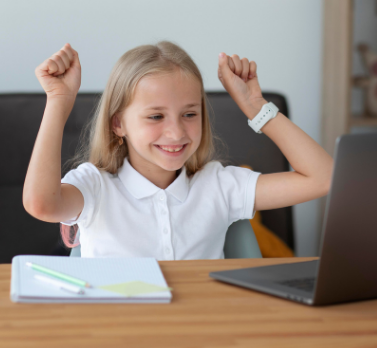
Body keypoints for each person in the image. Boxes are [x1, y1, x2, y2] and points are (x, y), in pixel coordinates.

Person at [23, 41, 333, 259]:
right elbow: (42, 204)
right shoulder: (95, 186)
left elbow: (323, 178)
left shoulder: (219, 186)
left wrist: (255, 107)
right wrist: (59, 101)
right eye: (156, 116)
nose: (176, 132)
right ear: (118, 124)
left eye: (189, 114)